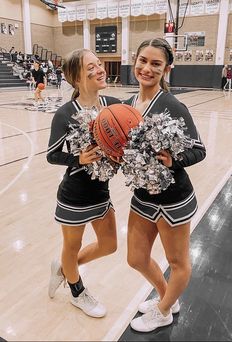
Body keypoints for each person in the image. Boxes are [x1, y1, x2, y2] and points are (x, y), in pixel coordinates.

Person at [123, 38, 206, 332]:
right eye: (143, 60)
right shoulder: (128, 104)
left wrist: (174, 159)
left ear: (166, 69)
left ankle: (163, 311)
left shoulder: (172, 105)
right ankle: (166, 296)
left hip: (173, 199)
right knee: (135, 258)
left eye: (156, 64)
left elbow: (199, 150)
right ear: (135, 61)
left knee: (178, 262)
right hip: (143, 196)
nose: (147, 68)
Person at [46, 48, 120, 318]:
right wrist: (78, 158)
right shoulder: (65, 113)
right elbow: (52, 155)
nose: (100, 69)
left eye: (99, 64)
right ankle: (77, 291)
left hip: (102, 192)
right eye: (91, 68)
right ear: (77, 78)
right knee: (72, 246)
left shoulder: (112, 105)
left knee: (109, 244)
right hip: (74, 196)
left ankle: (65, 266)